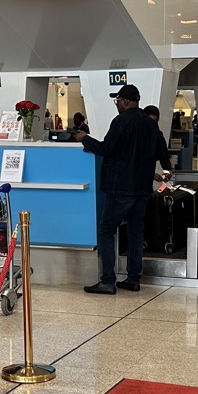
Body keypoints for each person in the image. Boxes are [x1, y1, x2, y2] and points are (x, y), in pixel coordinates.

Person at [75, 85, 163, 293]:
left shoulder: (121, 121)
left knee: (106, 230)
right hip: (142, 188)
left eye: (117, 101)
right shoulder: (150, 124)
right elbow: (159, 151)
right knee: (135, 232)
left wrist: (84, 139)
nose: (117, 105)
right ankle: (133, 279)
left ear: (125, 101)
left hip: (120, 187)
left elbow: (106, 149)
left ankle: (107, 281)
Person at [143, 105, 175, 176]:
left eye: (154, 122)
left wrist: (167, 171)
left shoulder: (157, 134)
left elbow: (163, 154)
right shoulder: (136, 134)